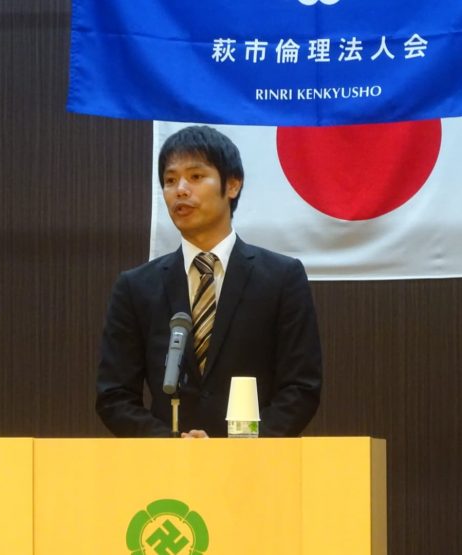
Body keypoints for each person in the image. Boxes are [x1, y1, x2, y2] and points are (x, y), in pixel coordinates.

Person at [96, 125, 322, 438]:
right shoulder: (136, 287)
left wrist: (241, 446)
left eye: (196, 176)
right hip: (167, 462)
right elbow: (114, 395)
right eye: (170, 180)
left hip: (256, 459)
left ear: (233, 185)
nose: (180, 190)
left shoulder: (281, 278)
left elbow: (301, 387)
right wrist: (171, 444)